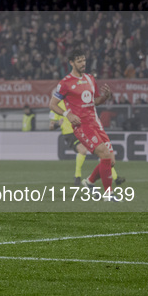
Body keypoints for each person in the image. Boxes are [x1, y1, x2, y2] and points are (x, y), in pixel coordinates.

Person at [49, 49, 119, 201]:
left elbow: (95, 101)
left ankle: (89, 181)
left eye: (84, 60)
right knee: (105, 155)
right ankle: (108, 194)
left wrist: (106, 97)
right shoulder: (65, 83)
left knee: (111, 161)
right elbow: (52, 104)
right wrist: (68, 114)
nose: (83, 63)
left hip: (96, 123)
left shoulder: (90, 79)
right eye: (79, 61)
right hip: (81, 126)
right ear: (71, 63)